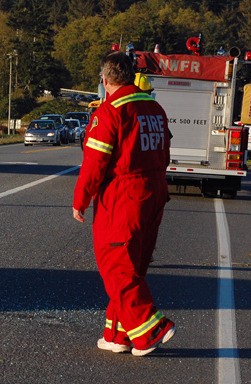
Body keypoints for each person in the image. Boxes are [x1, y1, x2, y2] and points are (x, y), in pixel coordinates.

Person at [72, 52, 175, 356]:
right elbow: (165, 151)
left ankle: (151, 328)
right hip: (154, 190)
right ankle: (118, 334)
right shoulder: (154, 108)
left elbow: (94, 163)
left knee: (115, 264)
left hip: (123, 195)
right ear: (130, 77)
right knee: (134, 264)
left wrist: (81, 200)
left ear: (104, 81)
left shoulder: (110, 112)